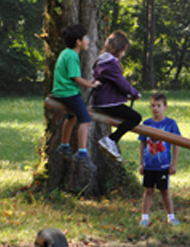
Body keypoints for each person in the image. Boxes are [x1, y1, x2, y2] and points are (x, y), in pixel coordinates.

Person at [53, 24, 101, 171]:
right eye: (86, 37)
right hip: (69, 93)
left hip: (61, 91)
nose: (88, 40)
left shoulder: (65, 53)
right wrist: (92, 85)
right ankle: (82, 153)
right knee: (85, 120)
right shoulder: (73, 55)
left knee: (71, 117)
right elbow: (76, 78)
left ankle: (64, 146)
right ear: (78, 41)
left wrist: (89, 83)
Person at [91, 30, 142, 163]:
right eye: (123, 51)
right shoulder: (109, 64)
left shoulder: (103, 61)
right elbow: (121, 82)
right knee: (136, 117)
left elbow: (112, 84)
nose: (123, 54)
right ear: (117, 49)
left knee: (129, 116)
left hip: (102, 100)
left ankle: (111, 140)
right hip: (107, 102)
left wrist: (127, 95)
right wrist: (134, 93)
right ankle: (111, 140)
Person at [138, 93, 181, 227]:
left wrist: (174, 164)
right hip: (149, 165)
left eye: (158, 105)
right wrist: (141, 163)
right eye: (153, 105)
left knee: (164, 191)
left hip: (163, 165)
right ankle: (144, 218)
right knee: (148, 190)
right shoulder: (146, 124)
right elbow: (142, 144)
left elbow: (177, 144)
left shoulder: (171, 124)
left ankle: (171, 217)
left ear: (165, 107)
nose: (155, 108)